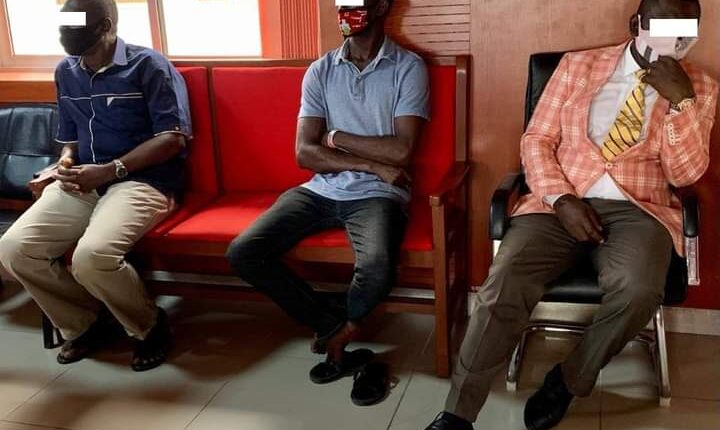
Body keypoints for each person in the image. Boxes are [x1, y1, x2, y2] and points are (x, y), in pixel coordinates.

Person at [425, 0, 717, 429]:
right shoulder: (577, 66)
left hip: (639, 210)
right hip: (557, 202)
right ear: (636, 24)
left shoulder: (701, 87)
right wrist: (561, 198)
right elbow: (537, 139)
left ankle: (568, 379)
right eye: (664, 24)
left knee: (638, 290)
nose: (677, 35)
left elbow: (685, 174)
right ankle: (458, 413)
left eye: (688, 26)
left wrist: (682, 104)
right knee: (503, 283)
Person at [226, 0, 428, 389]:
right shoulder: (320, 70)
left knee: (377, 265)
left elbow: (401, 151)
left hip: (377, 195)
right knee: (244, 252)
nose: (344, 9)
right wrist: (371, 163)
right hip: (322, 188)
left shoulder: (407, 67)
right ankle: (335, 326)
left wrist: (334, 137)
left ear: (381, 6)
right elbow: (304, 153)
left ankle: (340, 331)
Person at [0, 0, 192, 372]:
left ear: (104, 26)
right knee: (14, 249)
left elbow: (172, 139)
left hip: (141, 181)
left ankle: (149, 326)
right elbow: (69, 137)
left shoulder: (148, 66)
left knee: (92, 257)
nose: (65, 37)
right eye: (62, 28)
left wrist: (109, 171)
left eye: (73, 28)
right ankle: (87, 323)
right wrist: (64, 163)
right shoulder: (66, 71)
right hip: (83, 181)